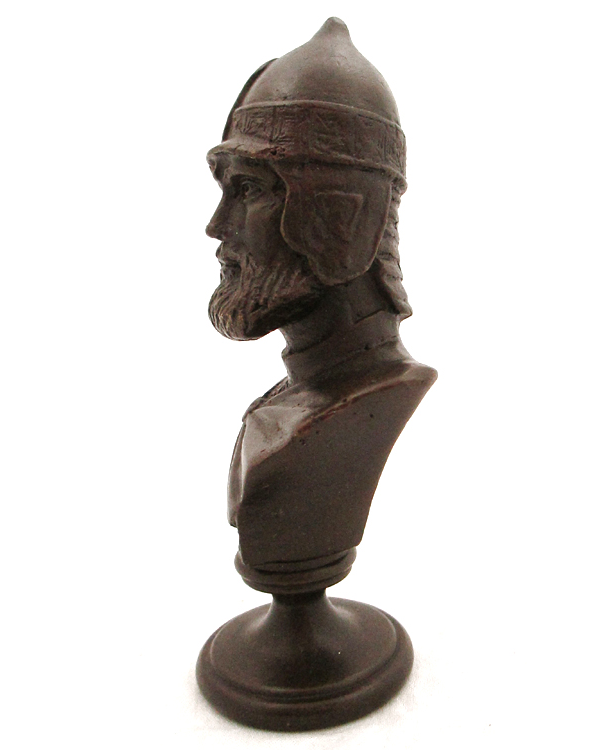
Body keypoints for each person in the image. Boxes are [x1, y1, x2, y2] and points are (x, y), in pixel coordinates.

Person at [205, 18, 437, 570]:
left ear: (341, 216)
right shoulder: (285, 406)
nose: (217, 226)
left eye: (248, 189)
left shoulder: (349, 408)